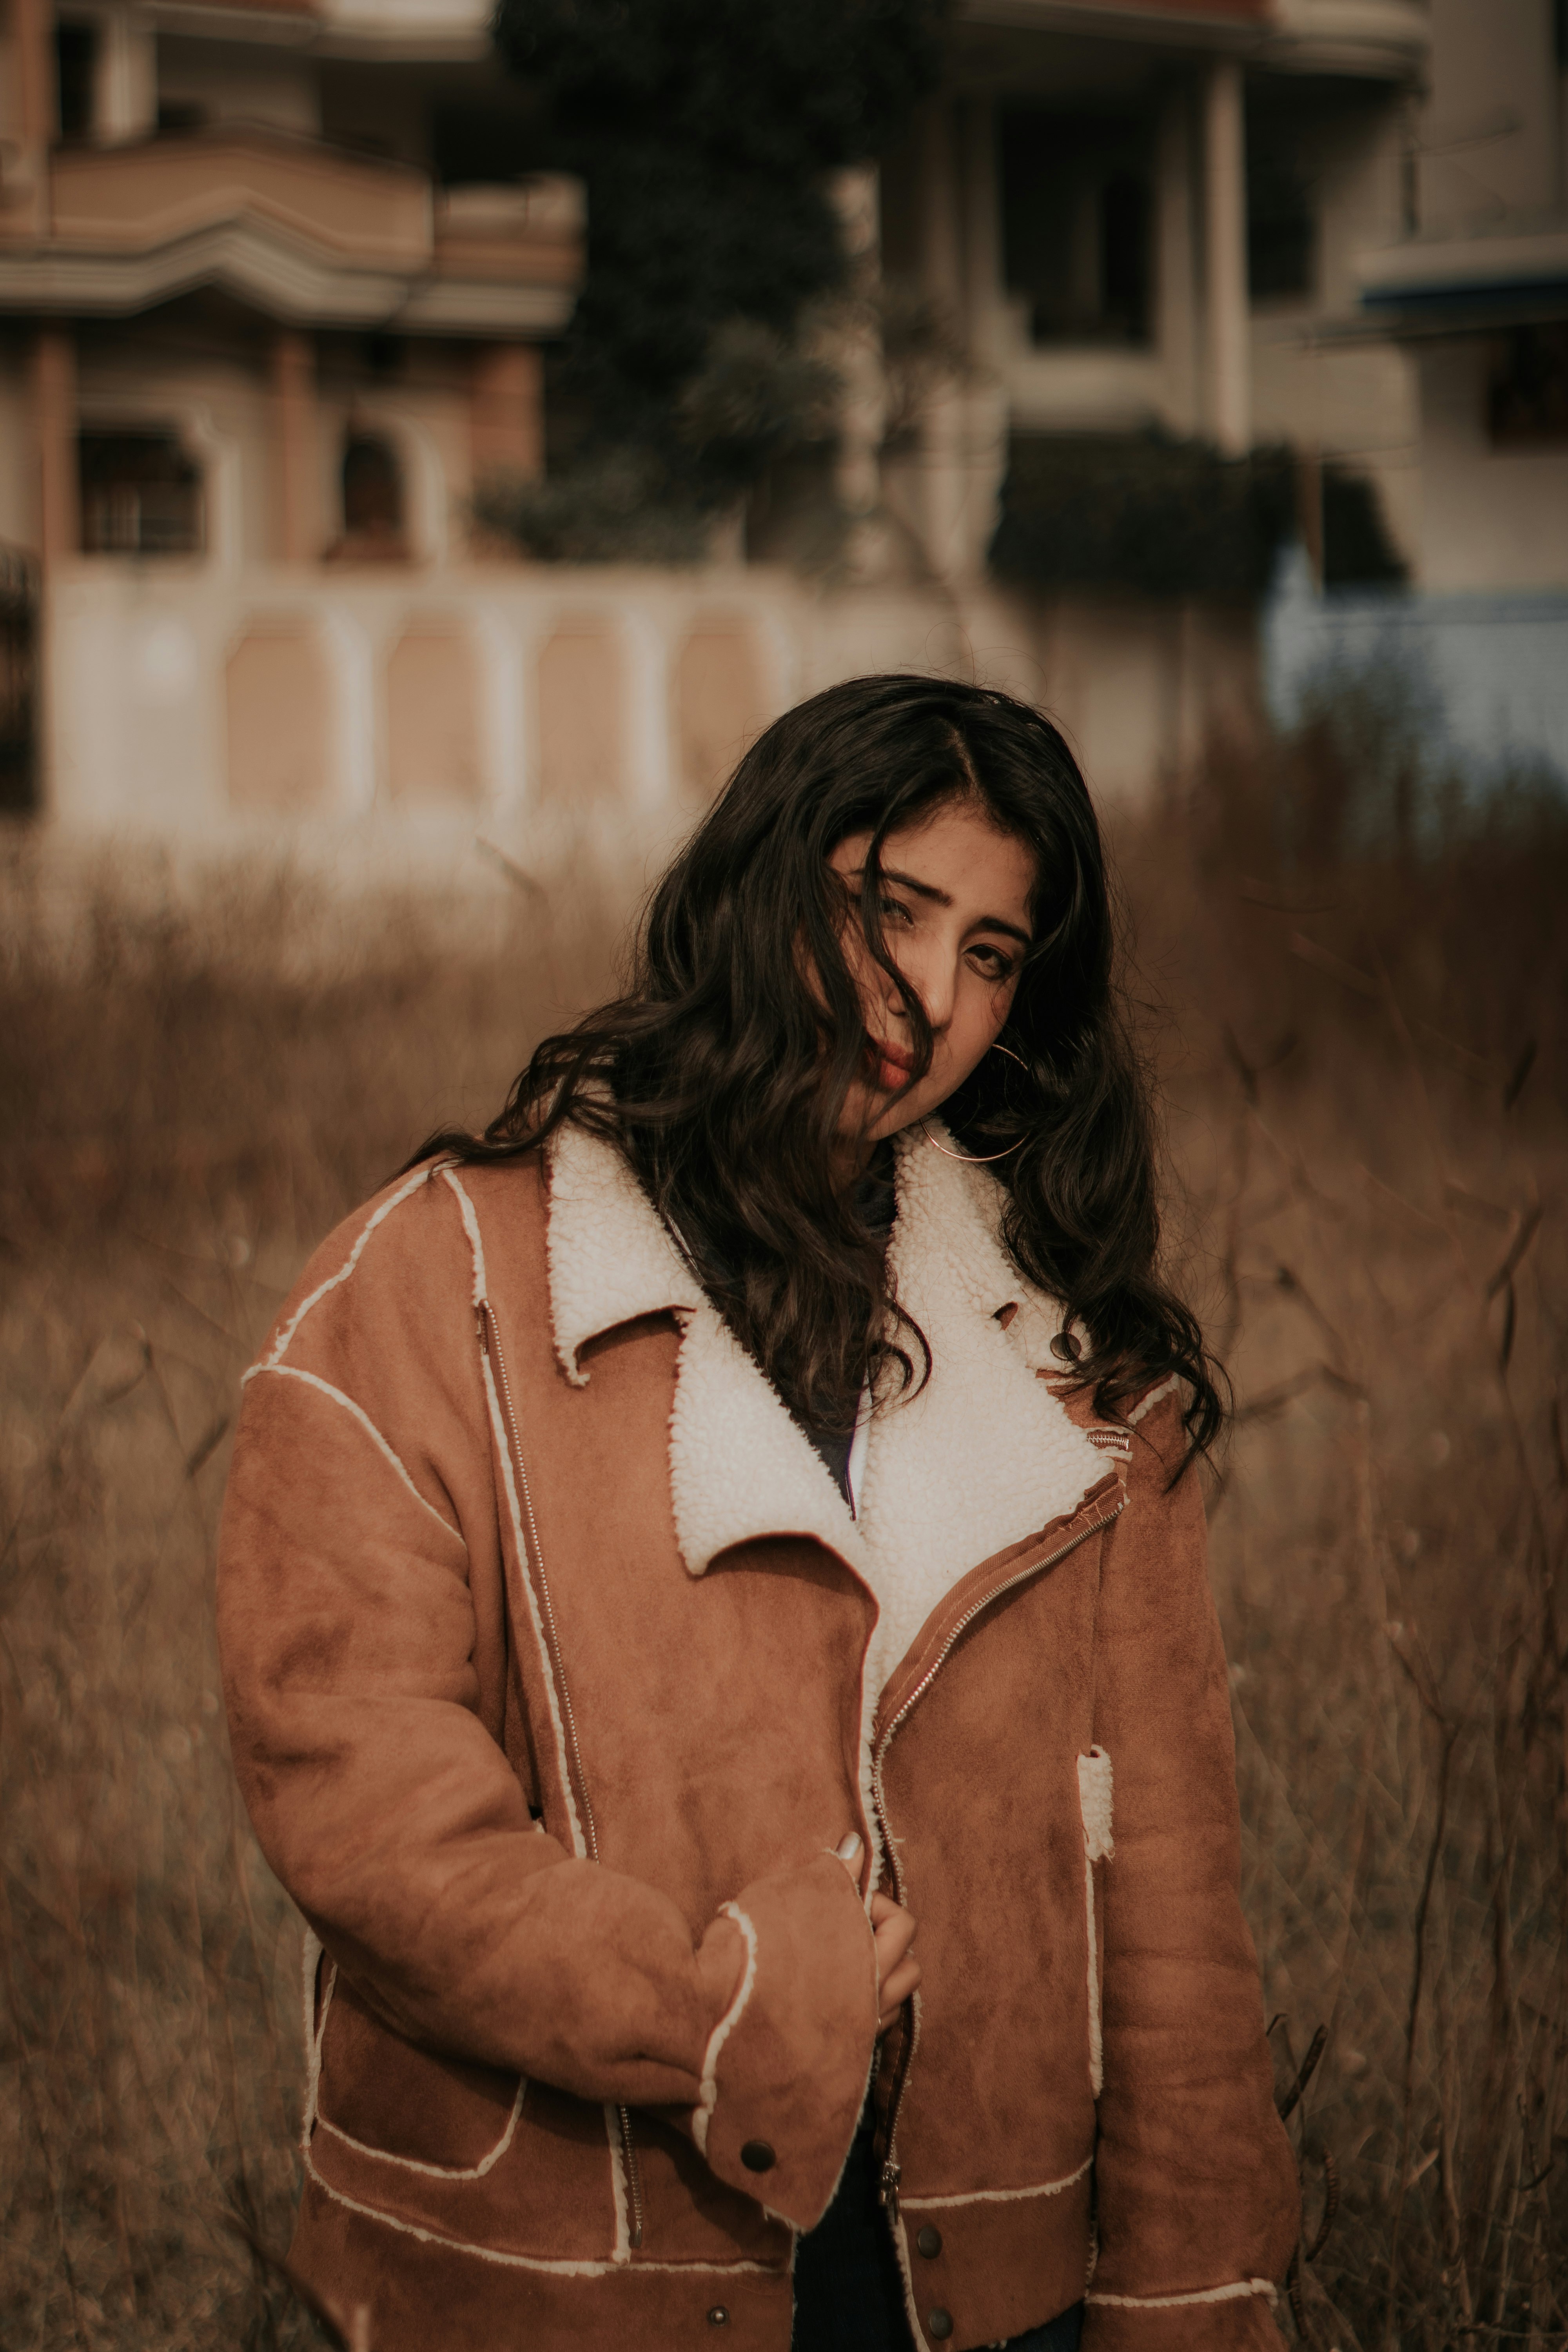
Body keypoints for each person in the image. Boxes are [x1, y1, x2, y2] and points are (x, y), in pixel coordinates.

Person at [218, 675, 1299, 2352]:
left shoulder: (1081, 1371)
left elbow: (1165, 1911)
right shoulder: (434, 1288)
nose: (931, 994)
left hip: (989, 2297)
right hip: (565, 2275)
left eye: (994, 954)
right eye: (889, 907)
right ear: (761, 880)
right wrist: (712, 2009)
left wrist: (1190, 2298)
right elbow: (359, 1797)